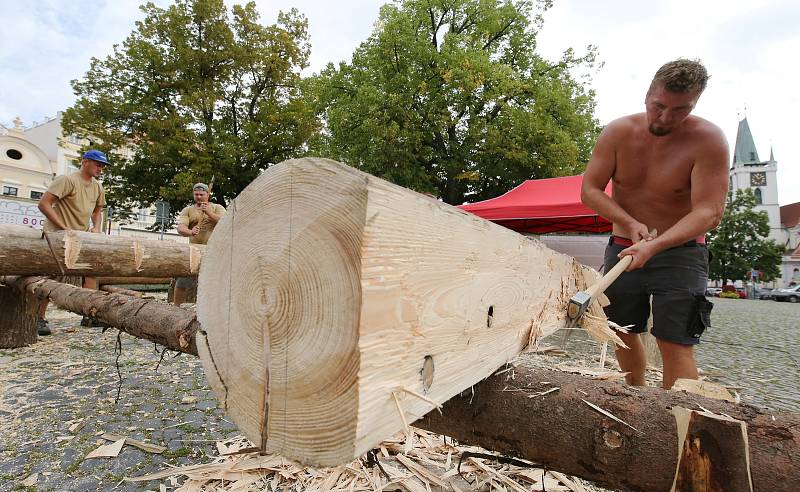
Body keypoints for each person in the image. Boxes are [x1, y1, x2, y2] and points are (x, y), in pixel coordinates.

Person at [581, 59, 729, 389]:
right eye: (658, 105)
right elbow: (589, 191)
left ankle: (679, 417)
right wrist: (628, 222)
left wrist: (657, 244)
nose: (665, 118)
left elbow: (709, 212)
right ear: (647, 93)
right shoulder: (618, 133)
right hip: (623, 250)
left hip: (681, 253)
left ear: (696, 102)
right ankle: (636, 398)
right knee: (621, 331)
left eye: (680, 110)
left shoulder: (708, 141)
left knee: (675, 341)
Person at [36, 149, 109, 335]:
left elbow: (97, 211)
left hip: (80, 236)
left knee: (91, 273)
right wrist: (63, 227)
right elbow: (44, 203)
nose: (100, 168)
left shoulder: (97, 187)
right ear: (85, 162)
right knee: (51, 277)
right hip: (57, 236)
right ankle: (38, 318)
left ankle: (89, 315)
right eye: (97, 164)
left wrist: (96, 228)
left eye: (102, 166)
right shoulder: (67, 180)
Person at [173, 183, 226, 306]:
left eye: (202, 194)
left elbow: (226, 223)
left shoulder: (217, 208)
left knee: (212, 283)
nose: (198, 197)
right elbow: (181, 228)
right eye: (196, 194)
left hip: (213, 251)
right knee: (182, 282)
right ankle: (176, 308)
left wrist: (209, 213)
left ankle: (211, 308)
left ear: (208, 194)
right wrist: (190, 232)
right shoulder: (188, 210)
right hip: (194, 252)